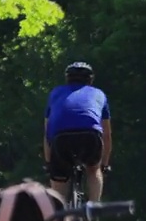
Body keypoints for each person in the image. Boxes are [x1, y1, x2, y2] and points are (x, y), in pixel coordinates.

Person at [44, 61, 112, 204]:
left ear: (67, 78)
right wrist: (104, 165)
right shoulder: (99, 94)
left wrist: (50, 164)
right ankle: (94, 210)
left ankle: (60, 215)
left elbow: (47, 133)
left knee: (59, 178)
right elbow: (106, 135)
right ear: (91, 80)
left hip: (61, 138)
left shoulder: (55, 93)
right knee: (93, 170)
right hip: (90, 137)